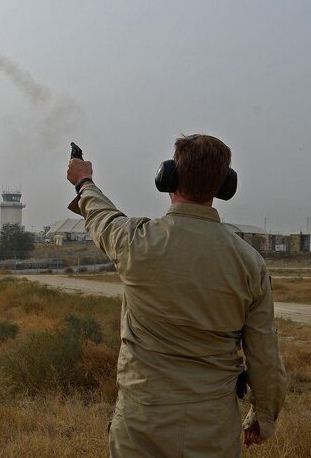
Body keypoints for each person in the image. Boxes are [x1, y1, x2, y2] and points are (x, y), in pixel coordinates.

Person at [66, 134, 287, 457]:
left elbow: (102, 218)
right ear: (225, 185)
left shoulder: (136, 242)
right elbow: (265, 355)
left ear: (168, 177)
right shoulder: (249, 262)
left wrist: (84, 181)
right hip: (213, 427)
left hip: (141, 422)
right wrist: (263, 418)